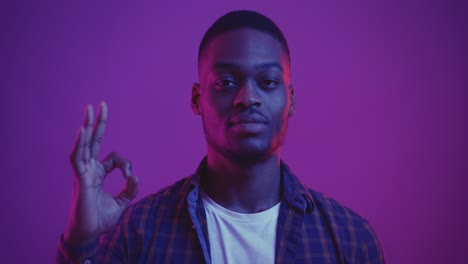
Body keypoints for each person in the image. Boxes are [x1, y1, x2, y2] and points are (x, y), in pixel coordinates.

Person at [57, 10, 385, 264]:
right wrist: (80, 241)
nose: (247, 97)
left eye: (268, 82)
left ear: (292, 100)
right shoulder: (140, 231)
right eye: (226, 82)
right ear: (197, 99)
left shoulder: (349, 239)